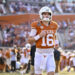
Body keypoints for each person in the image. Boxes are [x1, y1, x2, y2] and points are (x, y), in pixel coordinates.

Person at [28, 6, 58, 75]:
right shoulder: (36, 25)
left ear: (50, 15)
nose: (46, 15)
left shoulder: (54, 25)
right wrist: (39, 36)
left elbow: (55, 36)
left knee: (51, 73)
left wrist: (56, 43)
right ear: (41, 14)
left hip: (50, 53)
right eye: (44, 13)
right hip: (39, 53)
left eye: (48, 14)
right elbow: (29, 40)